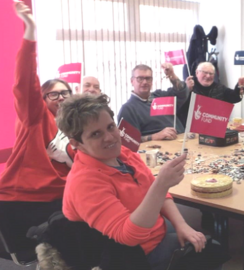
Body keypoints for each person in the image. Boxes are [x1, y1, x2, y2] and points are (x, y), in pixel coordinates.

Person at [56, 94, 208, 270]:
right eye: (96, 134)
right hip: (131, 256)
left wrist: (182, 225)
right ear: (77, 143)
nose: (110, 138)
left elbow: (156, 192)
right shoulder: (84, 182)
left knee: (201, 240)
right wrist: (161, 184)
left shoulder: (122, 154)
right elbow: (128, 236)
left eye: (110, 127)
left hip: (151, 231)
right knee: (208, 252)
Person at [0, 0, 75, 252]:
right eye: (54, 94)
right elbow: (24, 79)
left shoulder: (74, 127)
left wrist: (68, 159)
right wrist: (30, 31)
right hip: (24, 201)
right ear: (41, 100)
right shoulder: (36, 117)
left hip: (60, 197)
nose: (62, 97)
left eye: (66, 92)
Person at [117, 63, 193, 142]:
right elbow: (128, 141)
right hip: (157, 149)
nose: (145, 82)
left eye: (148, 78)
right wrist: (155, 136)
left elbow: (183, 93)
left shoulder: (159, 95)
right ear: (132, 81)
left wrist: (172, 75)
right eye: (140, 78)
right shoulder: (128, 109)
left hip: (183, 141)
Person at [178, 62, 244, 126]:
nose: (208, 76)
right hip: (192, 130)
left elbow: (235, 97)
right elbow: (179, 107)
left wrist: (240, 86)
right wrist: (186, 90)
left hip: (215, 128)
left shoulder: (220, 87)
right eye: (205, 72)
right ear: (197, 73)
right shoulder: (189, 87)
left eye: (211, 74)